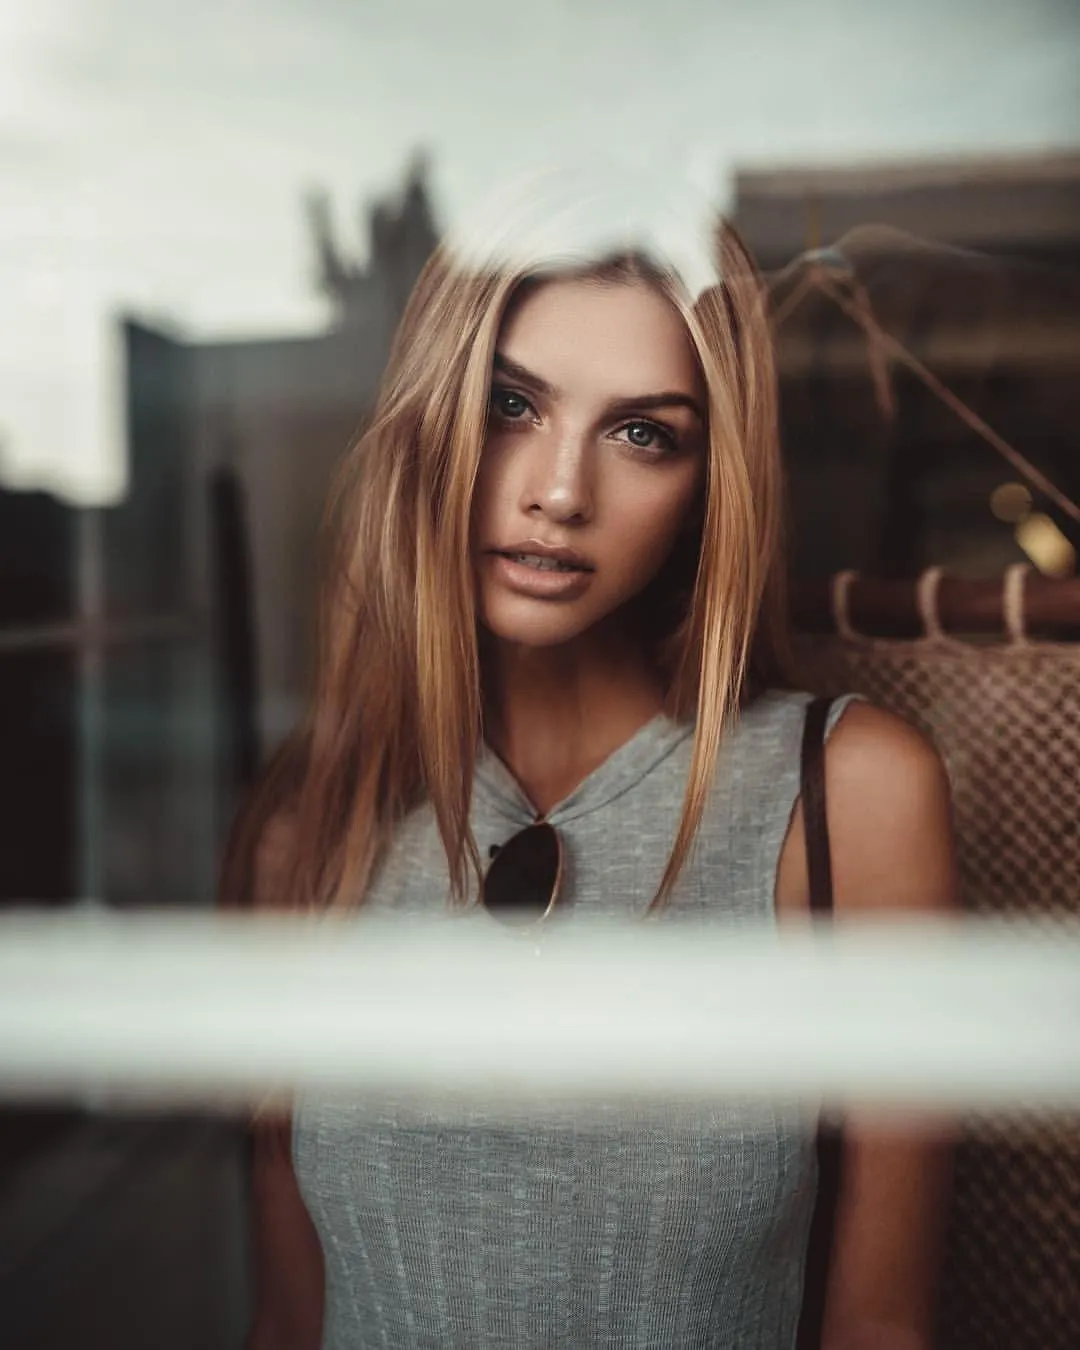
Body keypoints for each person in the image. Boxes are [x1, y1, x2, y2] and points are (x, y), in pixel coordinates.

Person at [220, 169, 957, 1350]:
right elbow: (289, 1321)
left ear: (706, 486)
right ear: (431, 418)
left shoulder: (845, 804)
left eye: (641, 433)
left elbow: (884, 1330)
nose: (561, 493)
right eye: (512, 405)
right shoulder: (313, 831)